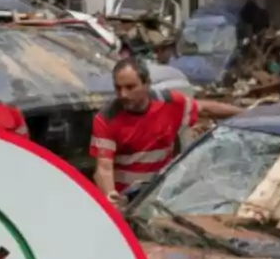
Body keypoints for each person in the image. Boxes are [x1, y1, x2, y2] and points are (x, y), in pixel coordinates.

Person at [90, 57, 242, 205]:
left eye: (130, 87)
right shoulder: (106, 118)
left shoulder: (170, 103)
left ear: (147, 84)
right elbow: (103, 168)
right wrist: (111, 200)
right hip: (127, 202)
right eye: (118, 88)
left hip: (159, 196)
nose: (123, 94)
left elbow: (206, 109)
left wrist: (248, 113)